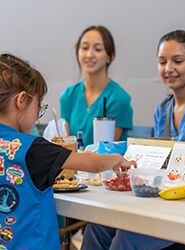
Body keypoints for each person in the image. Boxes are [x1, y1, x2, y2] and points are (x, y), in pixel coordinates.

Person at [80, 30, 185, 250]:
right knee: (96, 228)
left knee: (125, 240)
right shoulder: (163, 110)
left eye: (178, 61)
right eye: (162, 61)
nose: (168, 68)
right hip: (160, 206)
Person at [0, 53, 136, 250]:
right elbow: (93, 164)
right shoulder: (33, 147)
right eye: (38, 108)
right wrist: (115, 158)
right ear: (21, 101)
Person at [60, 25, 133, 147]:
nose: (89, 54)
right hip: (74, 165)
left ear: (110, 57)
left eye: (98, 49)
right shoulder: (68, 96)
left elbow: (107, 150)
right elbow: (68, 146)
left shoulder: (119, 99)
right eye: (84, 48)